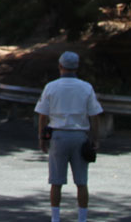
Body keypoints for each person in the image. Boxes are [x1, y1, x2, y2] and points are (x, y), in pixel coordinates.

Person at [35, 51, 103, 222]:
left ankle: (55, 218)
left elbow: (42, 115)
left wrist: (42, 138)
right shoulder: (86, 87)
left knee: (56, 181)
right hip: (80, 136)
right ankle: (82, 218)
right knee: (81, 181)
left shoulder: (51, 87)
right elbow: (94, 115)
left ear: (60, 66)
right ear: (77, 67)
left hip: (58, 136)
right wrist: (95, 138)